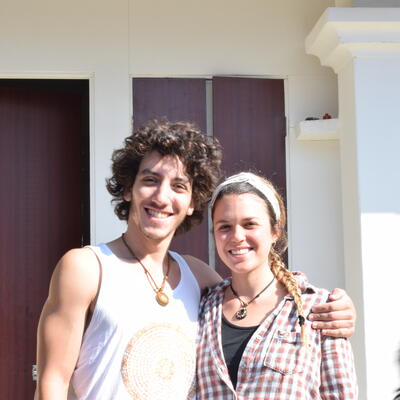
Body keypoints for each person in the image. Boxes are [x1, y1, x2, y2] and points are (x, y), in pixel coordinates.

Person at [36, 120, 356, 400]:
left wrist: (335, 309)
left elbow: (255, 300)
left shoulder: (200, 278)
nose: (162, 197)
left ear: (192, 202)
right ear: (127, 189)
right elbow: (52, 382)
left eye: (178, 186)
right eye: (150, 180)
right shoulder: (86, 268)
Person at [197, 172, 358, 399]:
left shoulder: (317, 308)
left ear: (275, 230)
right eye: (225, 227)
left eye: (249, 224)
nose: (237, 236)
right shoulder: (202, 309)